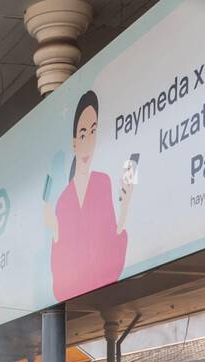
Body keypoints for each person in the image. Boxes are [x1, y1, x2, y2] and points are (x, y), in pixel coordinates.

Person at [45, 90, 133, 302]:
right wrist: (56, 232)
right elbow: (59, 285)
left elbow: (113, 257)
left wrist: (125, 208)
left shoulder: (103, 183)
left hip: (103, 295)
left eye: (93, 132)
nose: (88, 143)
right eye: (83, 134)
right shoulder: (63, 201)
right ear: (74, 142)